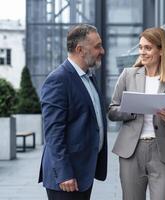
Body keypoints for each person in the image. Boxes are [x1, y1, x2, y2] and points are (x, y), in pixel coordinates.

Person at [108, 27, 165, 200]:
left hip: (161, 152)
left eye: (148, 48)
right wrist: (132, 110)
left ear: (161, 50)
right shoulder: (128, 75)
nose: (142, 52)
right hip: (131, 151)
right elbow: (112, 111)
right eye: (141, 47)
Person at [38, 24, 107, 200]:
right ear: (80, 50)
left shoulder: (88, 77)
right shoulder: (58, 80)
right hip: (66, 178)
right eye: (97, 46)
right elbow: (53, 134)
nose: (102, 51)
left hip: (83, 172)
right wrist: (64, 173)